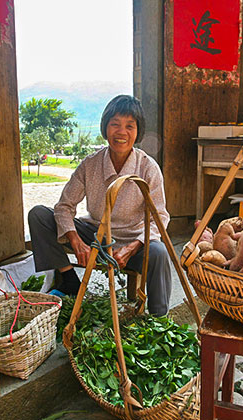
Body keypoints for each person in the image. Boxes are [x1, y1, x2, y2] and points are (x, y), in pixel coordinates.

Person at [28, 95, 171, 316]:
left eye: (129, 126)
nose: (121, 132)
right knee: (39, 215)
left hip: (132, 240)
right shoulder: (90, 164)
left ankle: (159, 319)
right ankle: (68, 280)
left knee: (159, 251)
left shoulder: (147, 167)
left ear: (137, 132)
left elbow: (160, 217)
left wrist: (133, 246)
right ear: (105, 128)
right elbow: (64, 206)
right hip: (96, 234)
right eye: (115, 124)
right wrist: (76, 241)